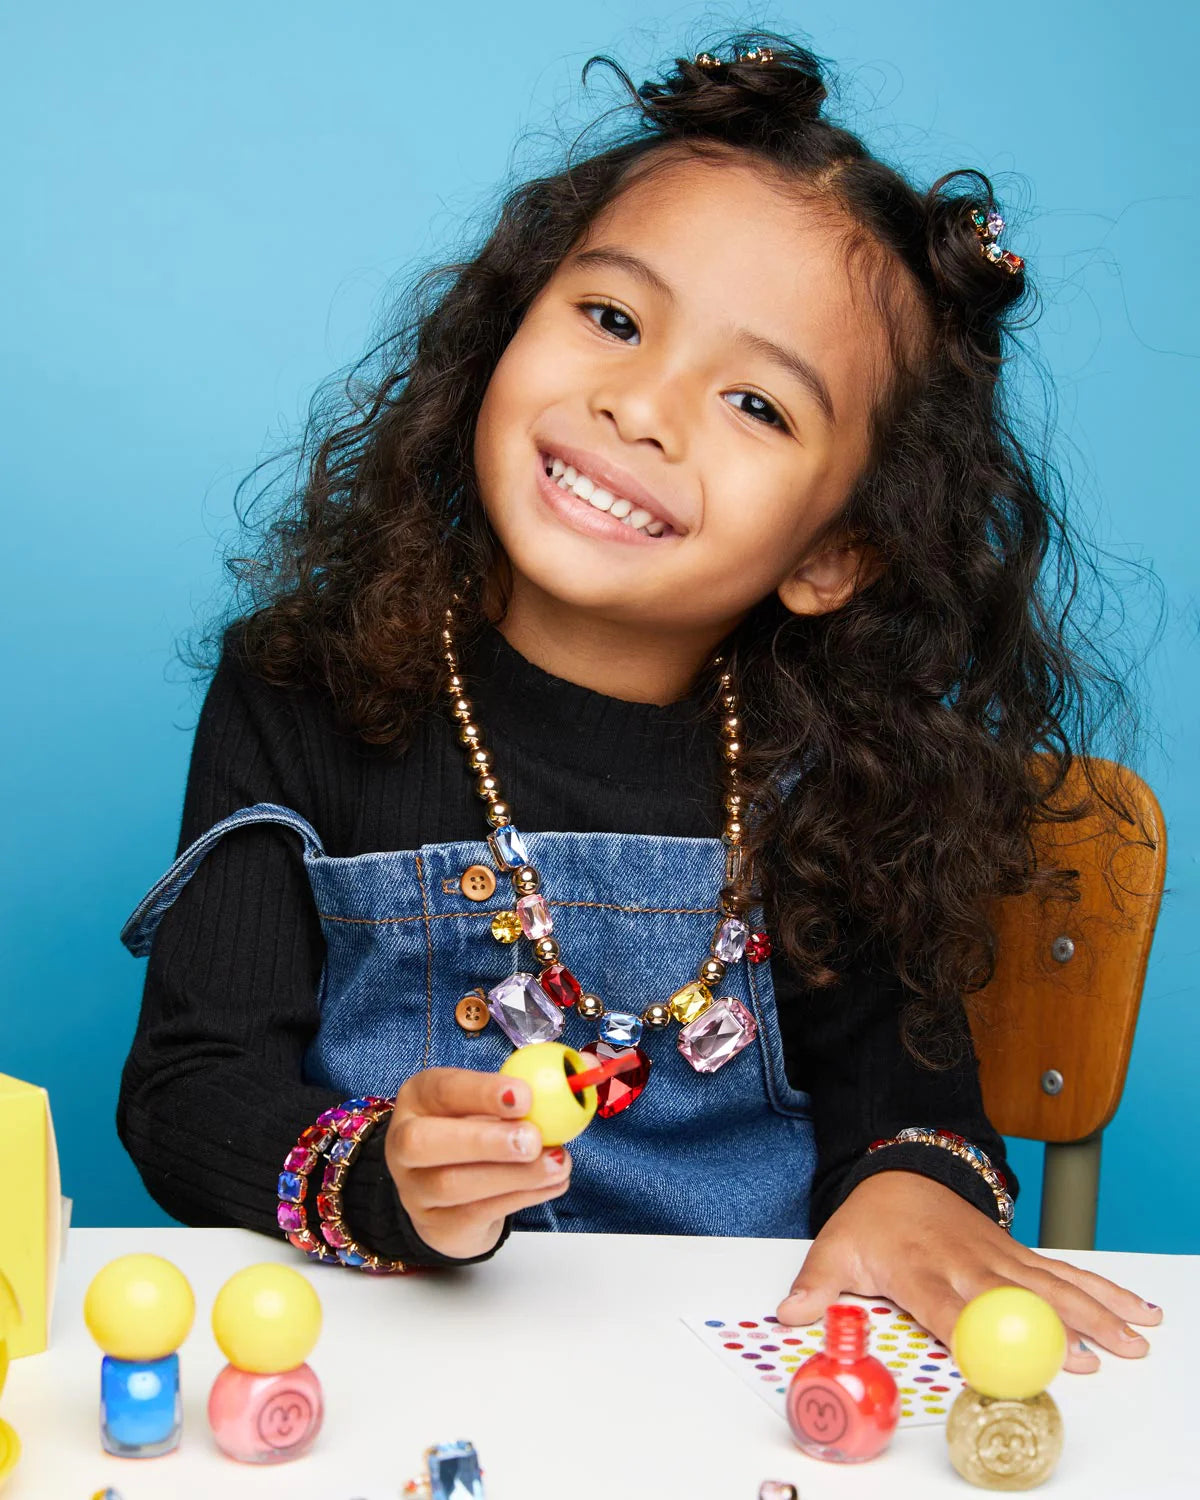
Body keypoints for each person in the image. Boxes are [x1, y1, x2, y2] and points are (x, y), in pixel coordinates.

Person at [116, 32, 1162, 1371]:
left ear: (838, 550)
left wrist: (915, 1182)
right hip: (390, 1363)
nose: (644, 407)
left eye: (757, 404)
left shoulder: (839, 776)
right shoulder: (299, 691)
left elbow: (912, 1109)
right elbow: (187, 1091)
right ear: (507, 328)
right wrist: (377, 1174)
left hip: (731, 1383)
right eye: (612, 319)